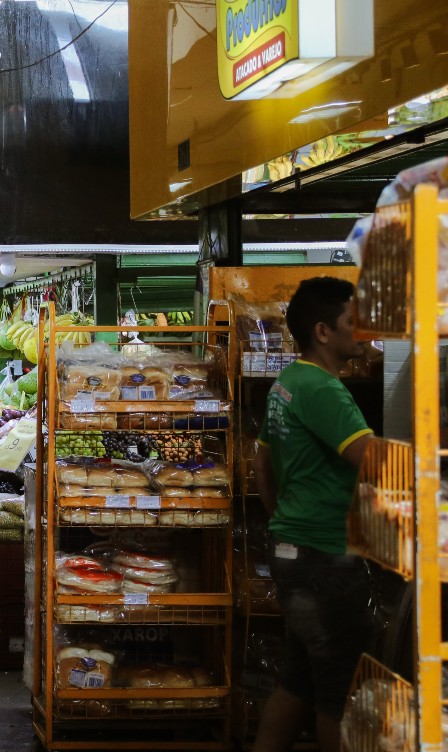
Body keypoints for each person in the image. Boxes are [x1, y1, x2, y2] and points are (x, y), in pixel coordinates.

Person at [251, 277, 376, 752]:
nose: (361, 332)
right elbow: (374, 459)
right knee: (339, 695)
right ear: (324, 332)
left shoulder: (286, 381)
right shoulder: (324, 390)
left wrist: (281, 521)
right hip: (325, 556)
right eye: (353, 322)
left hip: (294, 548)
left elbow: (261, 463)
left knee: (299, 680)